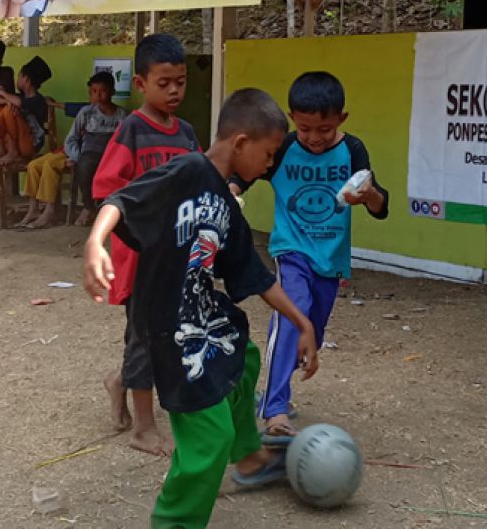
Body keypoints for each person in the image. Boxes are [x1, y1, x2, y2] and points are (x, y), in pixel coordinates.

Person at [84, 89, 319, 528]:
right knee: (210, 440)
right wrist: (96, 243)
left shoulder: (228, 206)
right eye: (268, 156)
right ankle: (174, 522)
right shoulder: (188, 169)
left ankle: (248, 456)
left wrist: (301, 321)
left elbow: (258, 276)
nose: (270, 167)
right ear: (242, 143)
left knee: (243, 356)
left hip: (202, 313)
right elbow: (120, 200)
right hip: (168, 324)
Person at [231, 72, 389, 442]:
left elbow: (381, 205)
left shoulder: (353, 151)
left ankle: (277, 376)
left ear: (342, 120)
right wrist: (232, 190)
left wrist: (367, 195)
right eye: (304, 129)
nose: (314, 138)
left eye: (324, 129)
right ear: (292, 119)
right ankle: (275, 409)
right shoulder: (284, 147)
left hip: (330, 260)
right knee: (293, 308)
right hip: (291, 250)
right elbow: (247, 175)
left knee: (310, 333)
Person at [92, 33, 198, 456]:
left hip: (177, 258)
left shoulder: (187, 134)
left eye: (181, 82)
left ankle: (119, 382)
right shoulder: (132, 130)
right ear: (140, 84)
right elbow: (106, 191)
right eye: (164, 82)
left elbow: (196, 184)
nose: (174, 90)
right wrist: (140, 232)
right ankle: (143, 427)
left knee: (167, 336)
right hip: (140, 261)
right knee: (144, 339)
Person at [64, 71, 126, 226]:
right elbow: (70, 139)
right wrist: (76, 157)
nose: (98, 95)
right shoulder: (86, 112)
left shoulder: (121, 115)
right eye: (94, 91)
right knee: (85, 165)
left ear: (112, 91)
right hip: (90, 153)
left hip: (112, 154)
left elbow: (125, 141)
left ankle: (110, 210)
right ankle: (88, 206)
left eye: (103, 91)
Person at [0, 55, 53, 167]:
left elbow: (18, 103)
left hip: (29, 144)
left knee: (9, 109)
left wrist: (3, 93)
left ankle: (12, 152)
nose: (17, 80)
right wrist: (7, 100)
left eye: (19, 76)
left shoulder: (37, 100)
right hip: (17, 142)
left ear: (26, 79)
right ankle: (3, 150)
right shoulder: (18, 97)